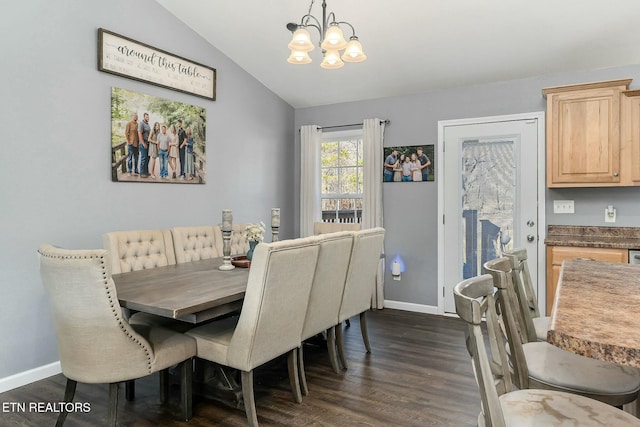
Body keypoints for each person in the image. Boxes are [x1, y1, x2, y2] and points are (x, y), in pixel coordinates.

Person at [137, 112, 151, 178]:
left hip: (148, 143)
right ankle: (142, 173)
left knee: (147, 158)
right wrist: (143, 143)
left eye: (148, 117)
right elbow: (139, 133)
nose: (148, 118)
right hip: (143, 143)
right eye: (146, 117)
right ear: (144, 117)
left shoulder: (147, 124)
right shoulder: (141, 124)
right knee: (143, 158)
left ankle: (146, 171)